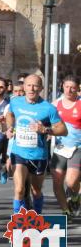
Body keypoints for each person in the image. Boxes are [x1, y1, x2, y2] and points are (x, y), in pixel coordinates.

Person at [5, 74, 67, 214]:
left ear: (41, 88)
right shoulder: (15, 102)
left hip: (39, 155)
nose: (31, 89)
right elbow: (10, 114)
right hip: (19, 152)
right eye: (28, 85)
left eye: (35, 86)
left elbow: (63, 130)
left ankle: (36, 216)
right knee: (19, 189)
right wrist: (10, 127)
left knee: (36, 190)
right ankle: (18, 220)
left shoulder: (48, 108)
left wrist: (45, 129)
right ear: (24, 87)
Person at [51, 75, 81, 220]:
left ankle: (75, 196)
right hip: (60, 148)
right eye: (67, 86)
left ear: (77, 89)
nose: (69, 90)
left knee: (70, 181)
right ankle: (66, 210)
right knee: (57, 182)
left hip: (78, 147)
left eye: (73, 87)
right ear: (62, 86)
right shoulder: (55, 104)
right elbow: (45, 121)